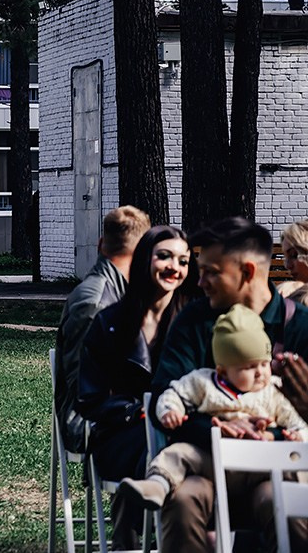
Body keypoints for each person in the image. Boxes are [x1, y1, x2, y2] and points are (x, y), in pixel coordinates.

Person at [152, 216, 308, 553]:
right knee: (184, 500)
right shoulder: (193, 321)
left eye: (212, 271)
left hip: (278, 470)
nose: (200, 281)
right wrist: (217, 427)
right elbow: (162, 400)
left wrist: (274, 433)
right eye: (200, 269)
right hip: (203, 467)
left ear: (248, 272)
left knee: (285, 503)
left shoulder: (301, 327)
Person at [78, 224, 199, 548]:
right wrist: (137, 412)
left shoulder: (195, 322)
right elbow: (89, 397)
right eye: (165, 257)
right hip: (122, 433)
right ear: (145, 258)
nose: (175, 267)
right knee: (155, 446)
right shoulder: (109, 321)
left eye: (183, 261)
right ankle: (129, 539)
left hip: (182, 430)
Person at [121, 304, 306, 510]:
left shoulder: (273, 390)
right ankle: (157, 485)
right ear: (223, 371)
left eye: (264, 364)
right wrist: (171, 411)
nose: (259, 373)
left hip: (262, 465)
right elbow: (174, 393)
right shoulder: (204, 382)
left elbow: (296, 418)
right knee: (179, 453)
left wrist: (297, 435)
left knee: (293, 464)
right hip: (212, 460)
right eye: (249, 367)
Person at [56, 205, 151, 452]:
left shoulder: (123, 294)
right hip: (88, 420)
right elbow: (86, 390)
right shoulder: (96, 303)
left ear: (100, 244)